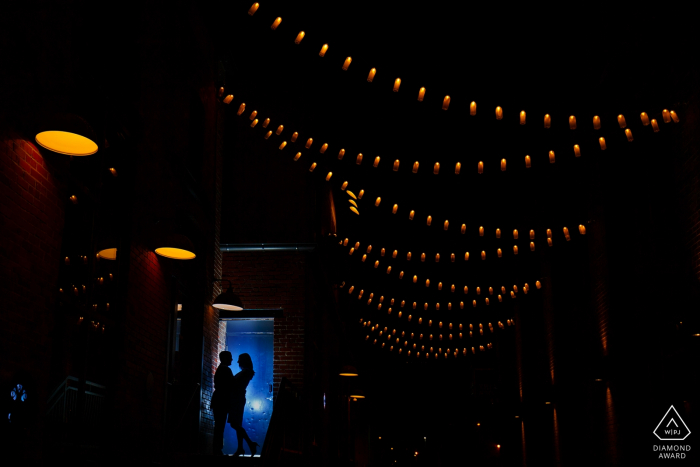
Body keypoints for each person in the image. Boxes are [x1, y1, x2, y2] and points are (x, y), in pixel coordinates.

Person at [229, 353, 260, 456]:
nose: (238, 362)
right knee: (237, 424)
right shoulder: (247, 372)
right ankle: (241, 448)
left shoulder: (246, 372)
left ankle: (249, 444)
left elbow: (233, 382)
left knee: (235, 424)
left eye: (239, 360)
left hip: (237, 399)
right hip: (239, 398)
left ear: (243, 361)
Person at [211, 351, 234, 455]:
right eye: (230, 357)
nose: (232, 359)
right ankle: (217, 448)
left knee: (219, 425)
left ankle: (217, 447)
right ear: (225, 358)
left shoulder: (220, 369)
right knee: (220, 425)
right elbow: (231, 385)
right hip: (222, 401)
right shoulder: (226, 370)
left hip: (218, 400)